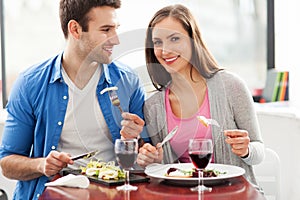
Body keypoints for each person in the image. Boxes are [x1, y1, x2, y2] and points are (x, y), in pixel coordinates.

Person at [0, 0, 148, 199]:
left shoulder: (128, 80)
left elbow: (146, 152)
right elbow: (7, 163)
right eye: (106, 30)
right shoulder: (30, 83)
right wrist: (42, 165)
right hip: (52, 193)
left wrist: (139, 143)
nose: (115, 40)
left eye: (116, 29)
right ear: (75, 29)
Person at [137, 4, 265, 189]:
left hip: (234, 193)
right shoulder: (153, 106)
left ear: (192, 40)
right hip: (184, 194)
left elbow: (259, 150)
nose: (165, 51)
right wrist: (154, 160)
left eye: (174, 39)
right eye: (158, 42)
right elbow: (164, 168)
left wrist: (246, 150)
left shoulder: (231, 86)